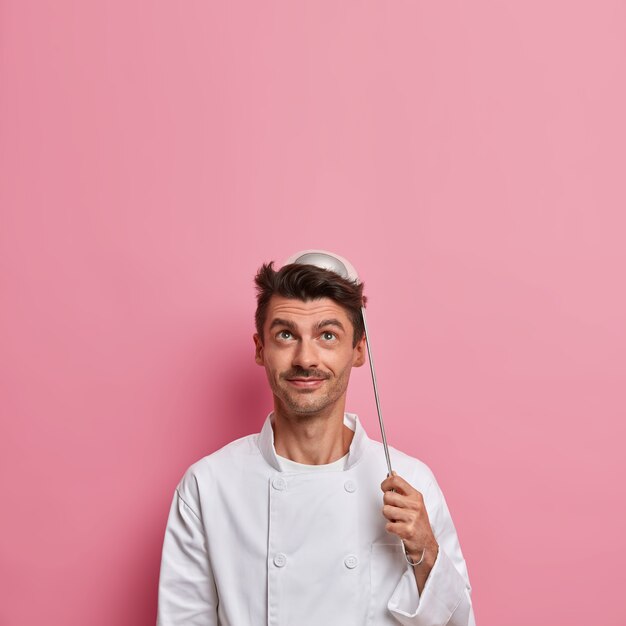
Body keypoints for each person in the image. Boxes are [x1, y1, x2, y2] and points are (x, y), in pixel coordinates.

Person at [156, 252, 475, 626]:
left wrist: (427, 552)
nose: (305, 358)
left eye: (327, 336)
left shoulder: (411, 482)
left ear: (358, 350)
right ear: (261, 349)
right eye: (286, 334)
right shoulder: (207, 487)